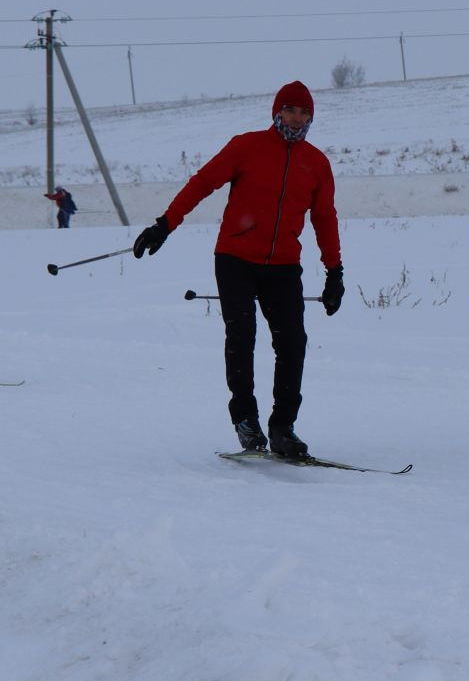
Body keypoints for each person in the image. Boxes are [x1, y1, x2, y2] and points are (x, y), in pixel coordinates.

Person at [131, 81, 344, 459]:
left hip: (283, 265)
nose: (296, 119)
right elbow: (203, 183)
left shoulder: (316, 163)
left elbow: (324, 218)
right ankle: (246, 421)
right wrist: (165, 224)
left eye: (303, 113)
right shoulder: (246, 147)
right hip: (235, 259)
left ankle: (283, 429)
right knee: (242, 336)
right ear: (277, 112)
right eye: (290, 111)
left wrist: (334, 272)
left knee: (293, 344)